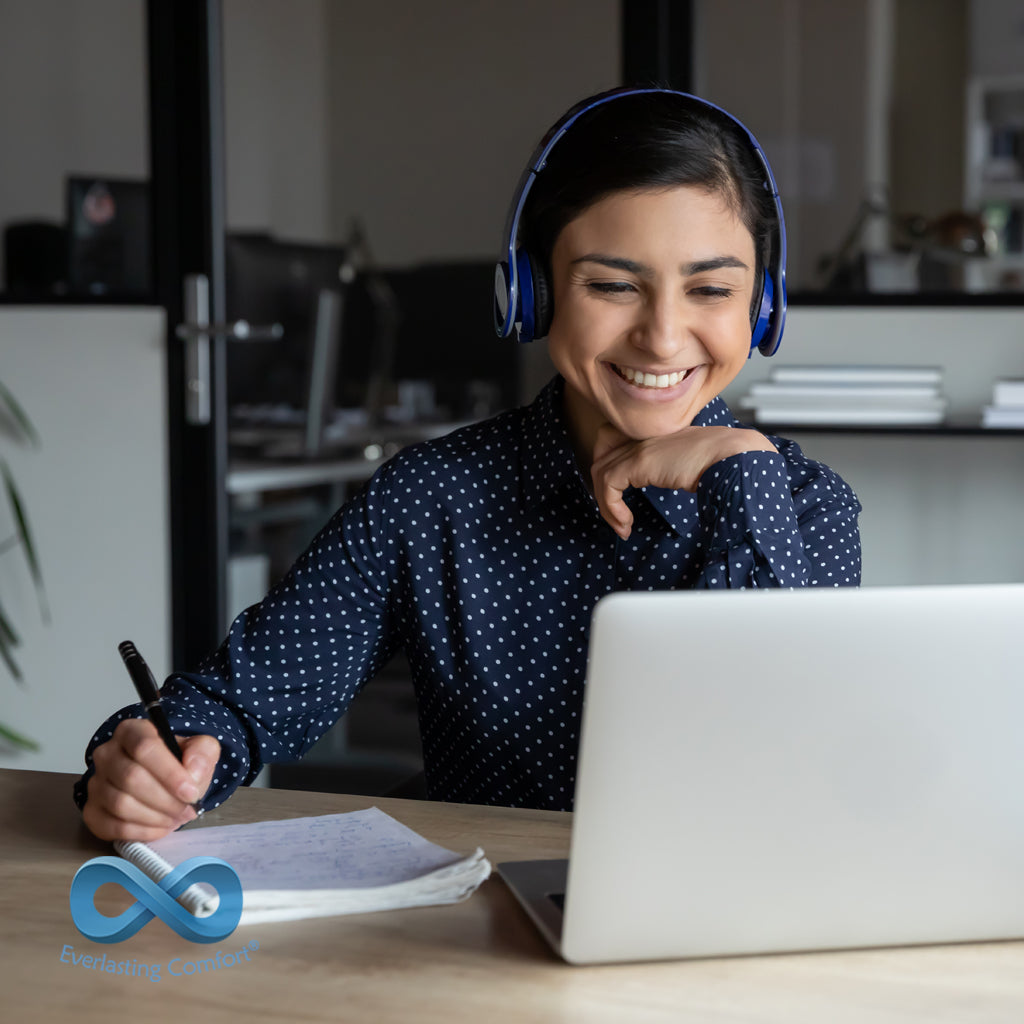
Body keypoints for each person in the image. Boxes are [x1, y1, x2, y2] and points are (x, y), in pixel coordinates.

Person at [76, 87, 861, 841]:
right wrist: (150, 764)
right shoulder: (432, 496)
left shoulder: (802, 506)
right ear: (533, 292)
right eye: (613, 285)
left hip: (712, 941)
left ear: (762, 306)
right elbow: (242, 701)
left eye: (711, 289)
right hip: (478, 933)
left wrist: (741, 470)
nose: (661, 337)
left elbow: (790, 767)